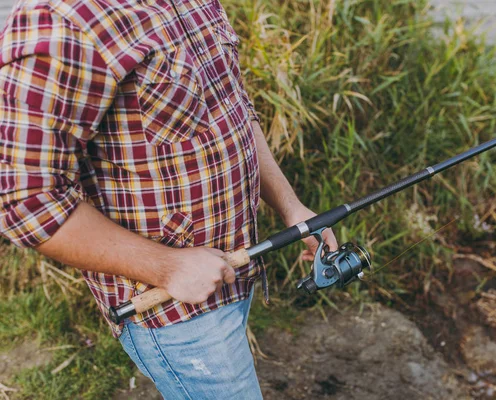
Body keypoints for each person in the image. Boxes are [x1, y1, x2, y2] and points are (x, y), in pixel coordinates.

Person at [0, 0, 337, 398]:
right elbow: (24, 200)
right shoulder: (63, 20)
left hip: (235, 272)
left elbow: (234, 111)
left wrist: (291, 206)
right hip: (171, 309)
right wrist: (167, 268)